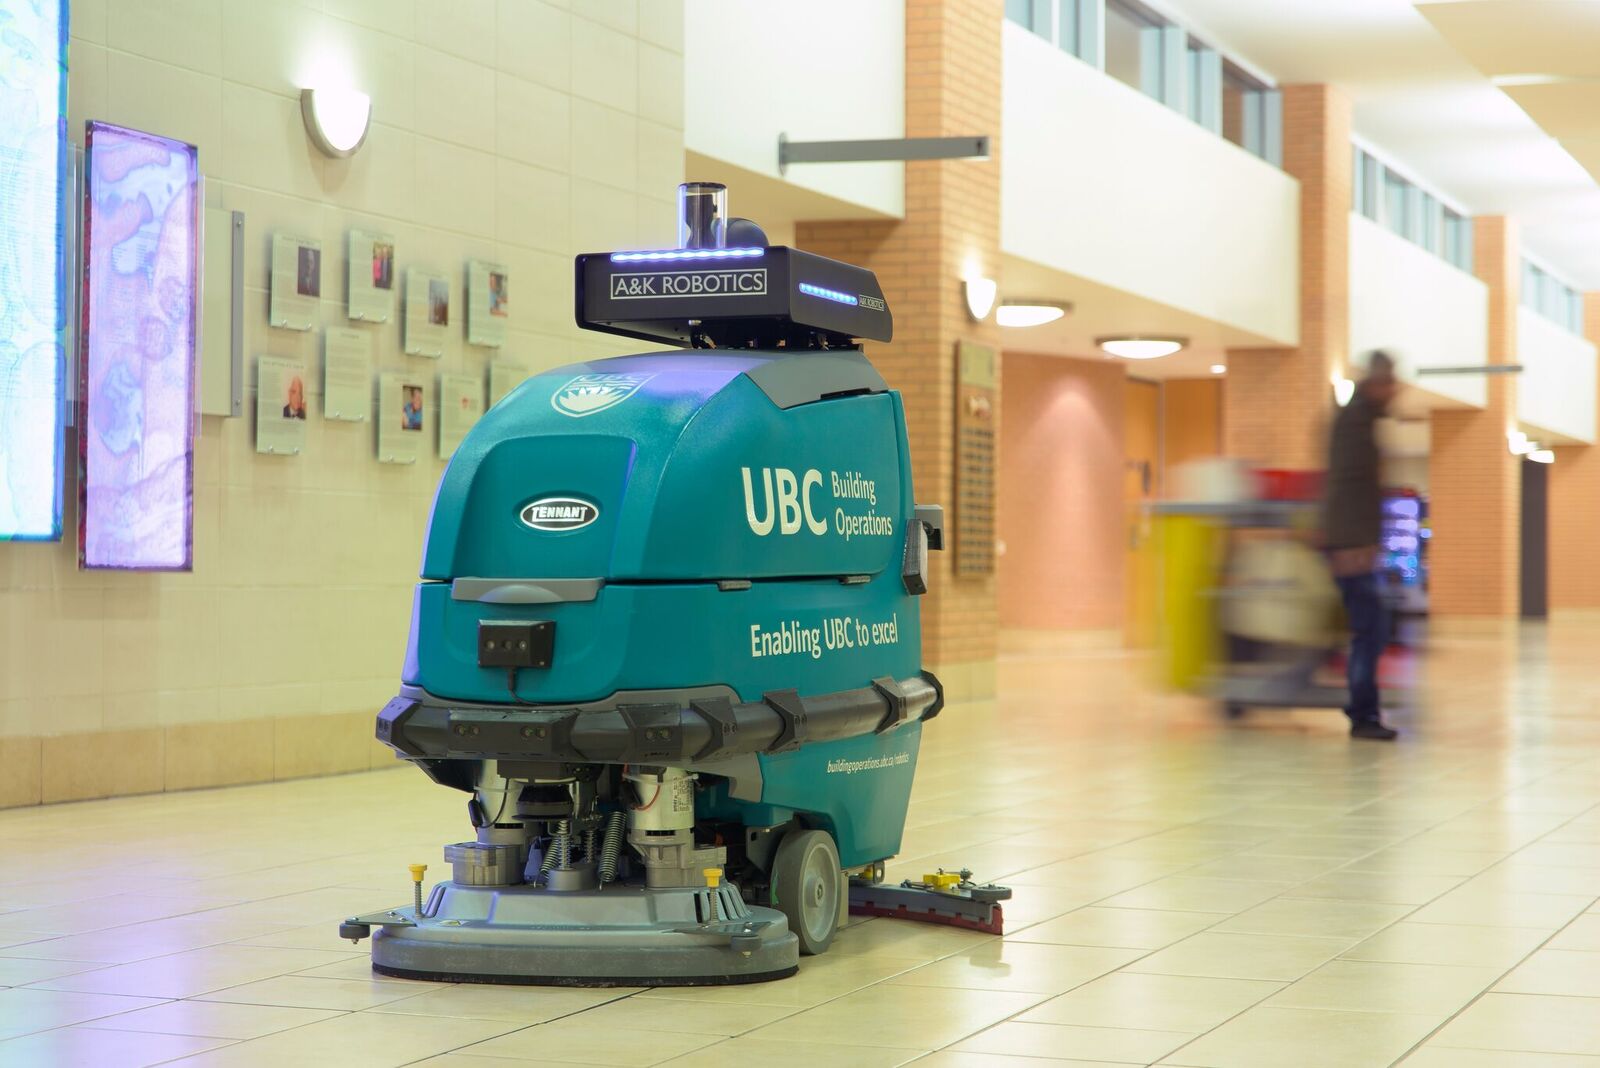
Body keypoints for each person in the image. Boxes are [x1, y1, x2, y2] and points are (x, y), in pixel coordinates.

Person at [1323, 351, 1400, 740]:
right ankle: (1363, 715)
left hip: (1350, 540)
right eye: (1390, 383)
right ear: (1374, 384)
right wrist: (1355, 545)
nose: (1395, 390)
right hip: (1350, 544)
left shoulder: (1359, 419)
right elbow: (1349, 487)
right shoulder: (1355, 422)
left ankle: (1363, 709)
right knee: (1369, 630)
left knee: (1368, 628)